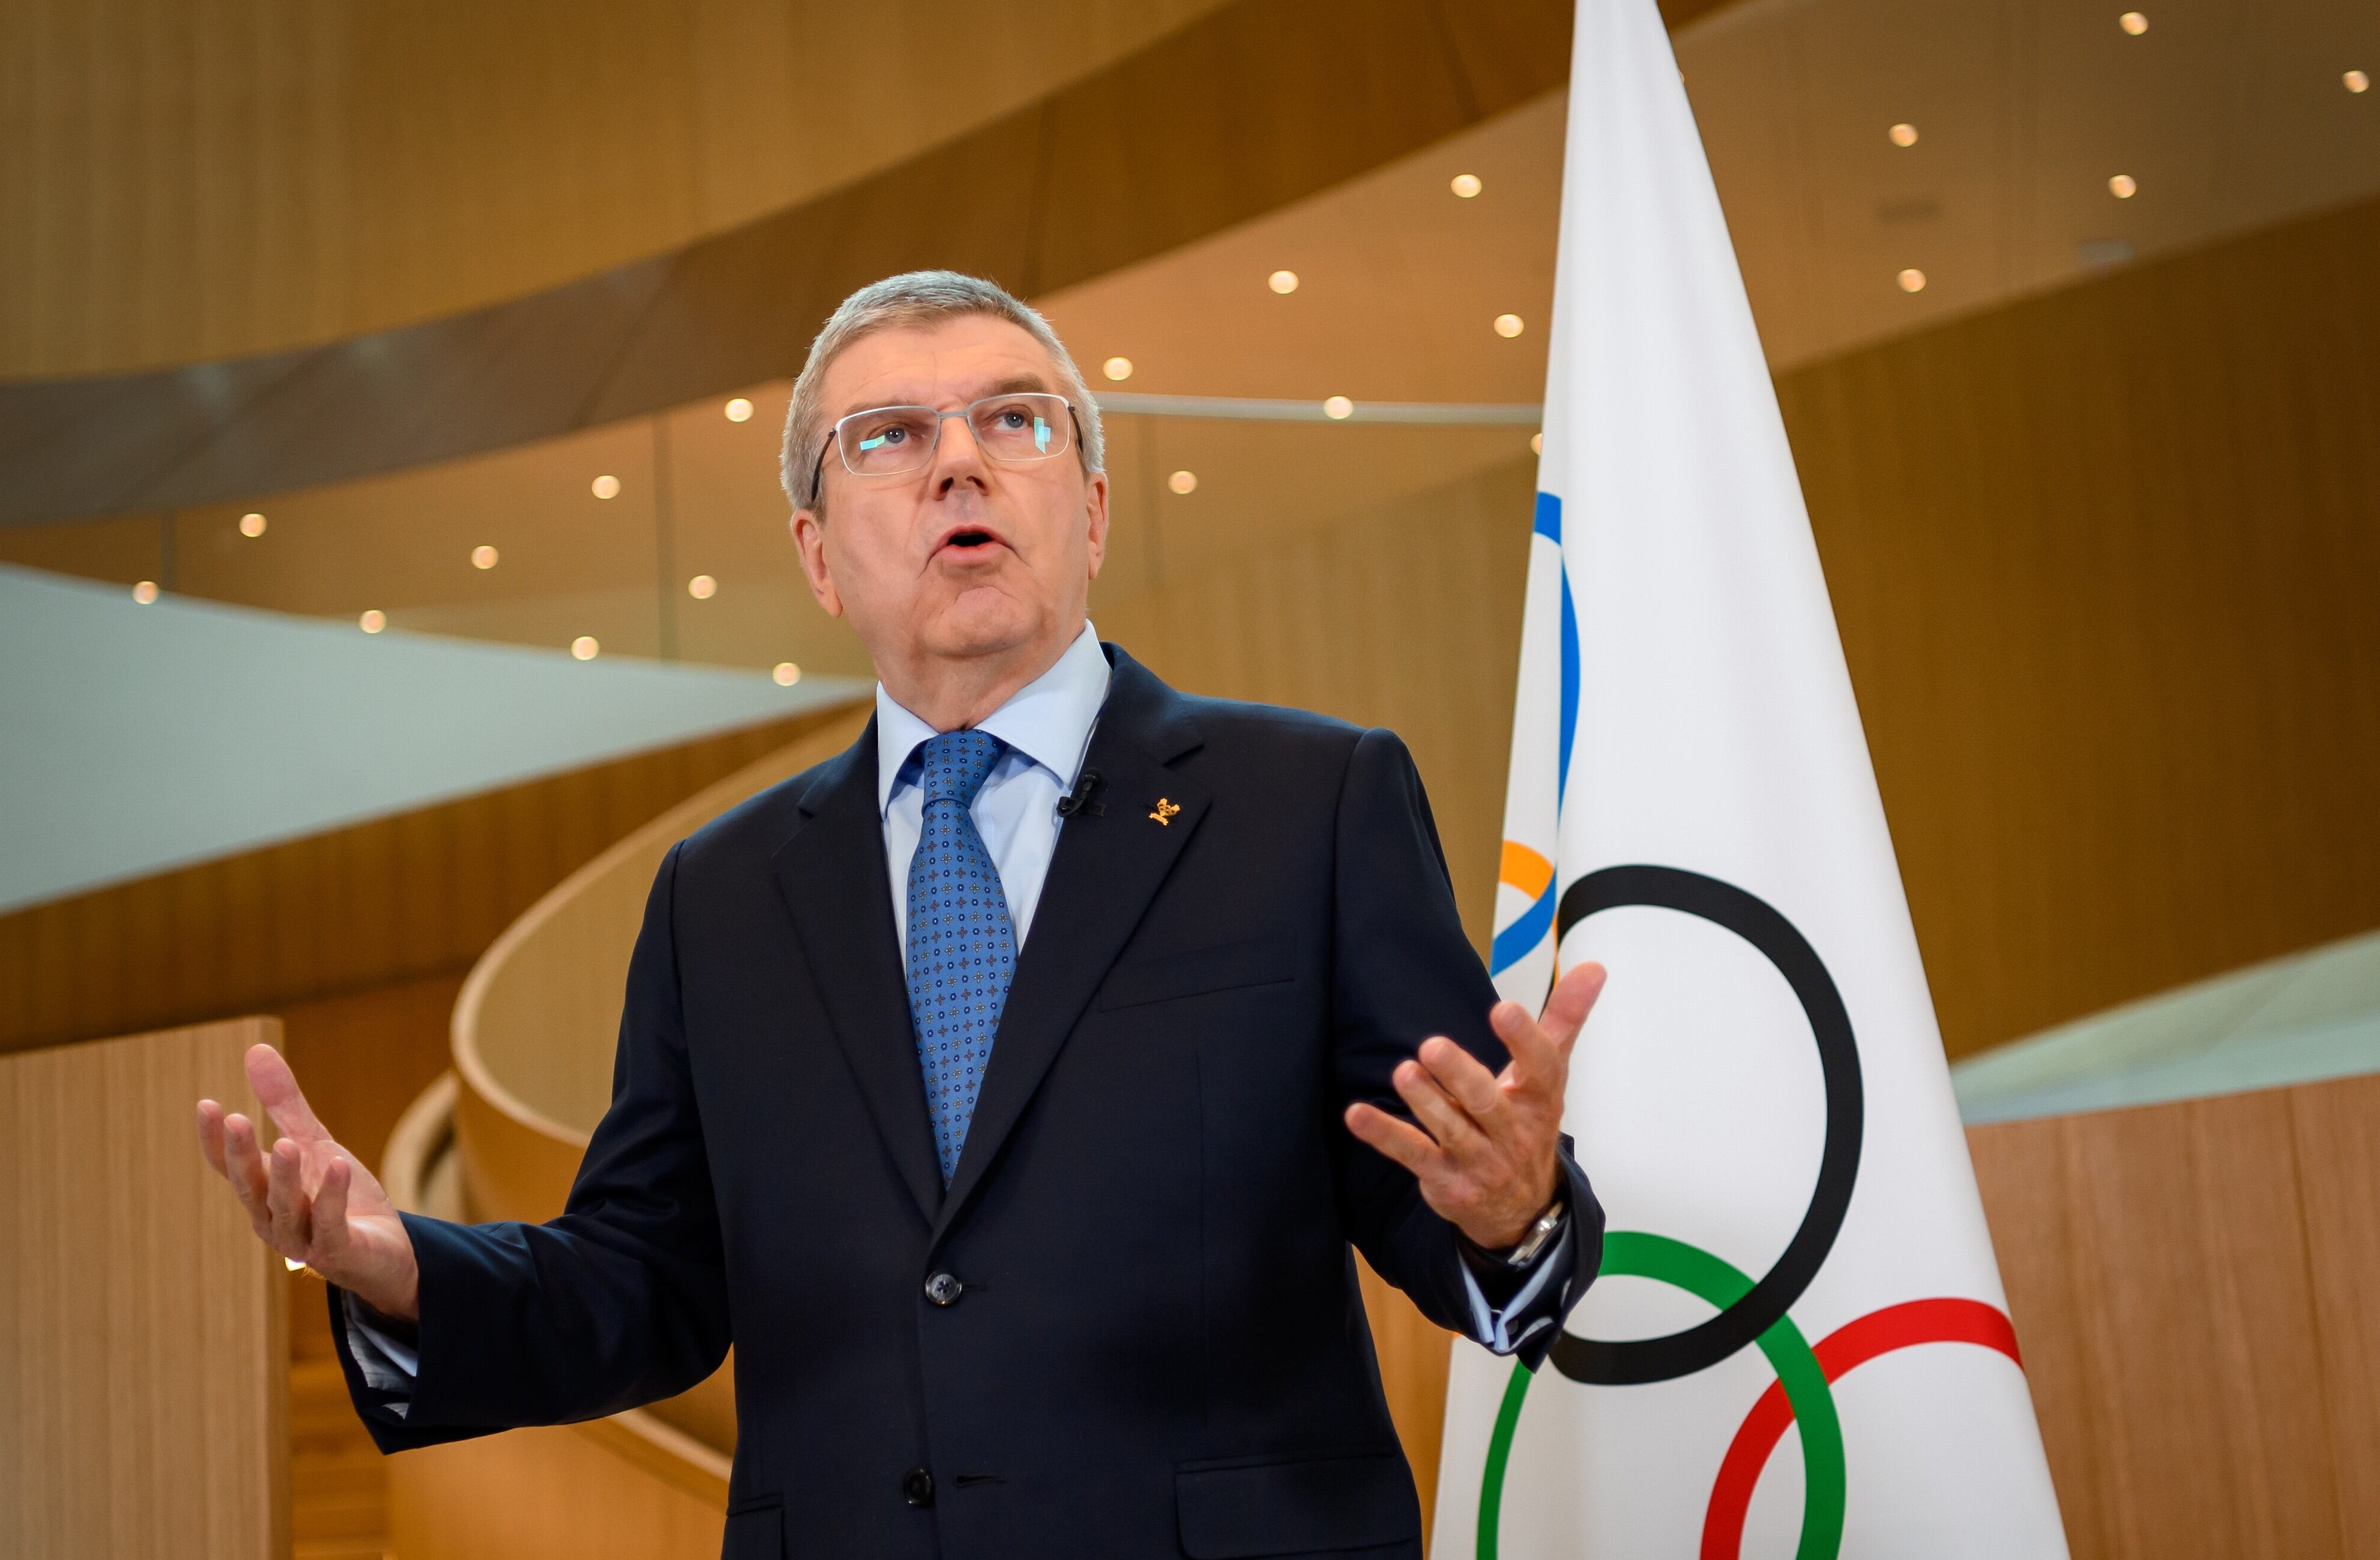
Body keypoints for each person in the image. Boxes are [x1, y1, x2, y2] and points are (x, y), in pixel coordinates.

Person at [195, 270, 1606, 1559]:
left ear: (1094, 510)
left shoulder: (1308, 801)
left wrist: (1512, 1216)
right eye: (887, 435)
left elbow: (1437, 1204)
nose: (956, 459)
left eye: (1014, 418)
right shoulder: (721, 895)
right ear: (816, 555)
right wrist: (403, 1270)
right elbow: (646, 1278)